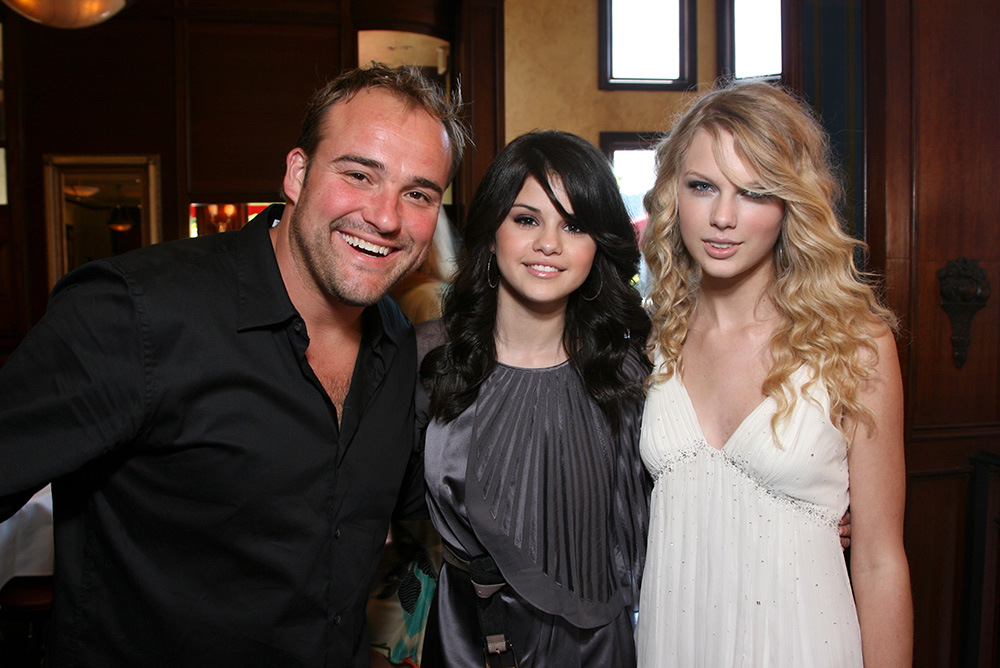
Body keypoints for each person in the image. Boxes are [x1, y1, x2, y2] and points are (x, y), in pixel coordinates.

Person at [0, 64, 466, 668]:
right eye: (358, 175)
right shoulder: (135, 314)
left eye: (419, 194)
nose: (385, 217)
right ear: (297, 174)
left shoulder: (400, 345)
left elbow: (419, 512)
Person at [635, 80, 912, 666]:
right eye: (703, 186)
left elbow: (881, 560)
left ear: (791, 205)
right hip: (672, 644)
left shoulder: (853, 343)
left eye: (756, 192)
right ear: (672, 195)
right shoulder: (652, 340)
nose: (724, 217)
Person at [417, 130, 652, 667]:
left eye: (574, 225)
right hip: (468, 639)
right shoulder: (431, 361)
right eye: (527, 219)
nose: (549, 243)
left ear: (600, 243)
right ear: (493, 229)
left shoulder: (633, 375)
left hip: (598, 647)